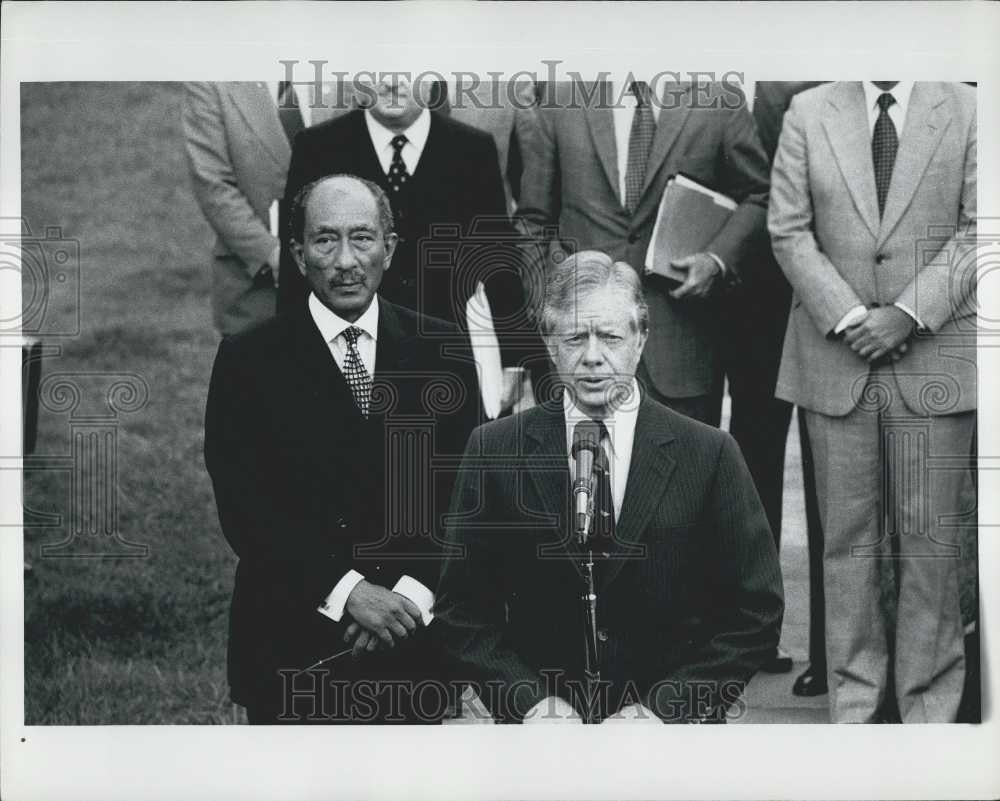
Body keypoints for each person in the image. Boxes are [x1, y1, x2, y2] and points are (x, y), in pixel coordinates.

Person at [434, 250, 784, 724]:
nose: (593, 356)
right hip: (544, 743)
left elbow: (754, 614)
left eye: (611, 337)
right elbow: (461, 609)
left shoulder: (709, 453)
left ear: (640, 341)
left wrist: (663, 711)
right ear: (550, 343)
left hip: (669, 744)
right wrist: (529, 702)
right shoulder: (495, 450)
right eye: (576, 337)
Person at [205, 174, 480, 723]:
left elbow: (462, 494)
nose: (346, 260)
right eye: (326, 240)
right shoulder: (249, 361)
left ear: (390, 247)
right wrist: (348, 592)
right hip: (294, 641)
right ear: (298, 252)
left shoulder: (441, 349)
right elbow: (247, 508)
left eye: (363, 238)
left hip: (413, 640)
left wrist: (409, 597)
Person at [769, 82, 977, 722]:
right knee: (848, 543)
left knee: (929, 542)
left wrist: (908, 314)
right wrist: (852, 315)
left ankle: (928, 710)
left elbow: (981, 227)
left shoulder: (971, 107)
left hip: (934, 353)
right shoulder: (809, 110)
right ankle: (856, 706)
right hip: (836, 356)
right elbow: (787, 229)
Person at [278, 76, 540, 420]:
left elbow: (496, 259)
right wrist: (290, 356)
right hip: (347, 352)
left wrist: (514, 358)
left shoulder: (471, 149)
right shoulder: (319, 147)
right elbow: (295, 267)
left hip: (445, 359)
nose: (391, 83)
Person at [515, 77, 770, 425]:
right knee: (583, 475)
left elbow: (759, 196)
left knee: (682, 477)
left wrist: (716, 260)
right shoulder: (563, 96)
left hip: (681, 346)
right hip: (580, 351)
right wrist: (548, 309)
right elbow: (532, 220)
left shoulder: (717, 98)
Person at [720, 81, 828, 681]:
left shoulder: (807, 79)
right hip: (720, 299)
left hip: (809, 296)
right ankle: (751, 631)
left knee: (826, 479)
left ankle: (830, 649)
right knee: (744, 472)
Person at [184, 81, 327, 335]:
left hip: (340, 289)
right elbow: (214, 186)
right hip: (257, 294)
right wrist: (274, 256)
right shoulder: (210, 84)